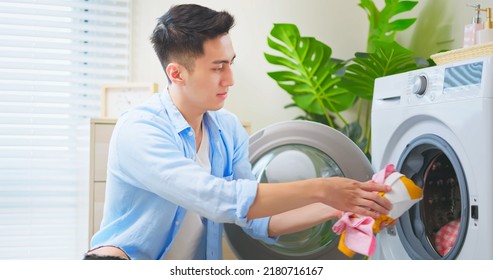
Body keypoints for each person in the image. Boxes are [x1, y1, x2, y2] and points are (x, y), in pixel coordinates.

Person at [84, 4, 392, 260]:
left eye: (230, 64)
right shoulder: (140, 129)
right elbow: (217, 199)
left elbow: (254, 218)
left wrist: (335, 206)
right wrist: (323, 188)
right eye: (218, 68)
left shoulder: (227, 127)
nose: (230, 79)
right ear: (176, 73)